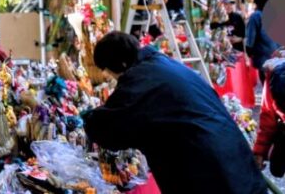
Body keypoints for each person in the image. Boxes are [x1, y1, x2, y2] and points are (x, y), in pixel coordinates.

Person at [83, 31, 266, 194]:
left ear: (120, 64)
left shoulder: (141, 80)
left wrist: (87, 116)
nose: (112, 78)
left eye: (109, 71)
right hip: (235, 164)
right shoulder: (162, 64)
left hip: (210, 174)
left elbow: (109, 128)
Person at [254, 58, 285, 175]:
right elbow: (268, 115)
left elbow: (268, 115)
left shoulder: (276, 71)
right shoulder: (275, 74)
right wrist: (260, 151)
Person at [246, 0, 278, 81]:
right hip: (279, 55)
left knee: (267, 83)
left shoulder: (255, 16)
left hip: (264, 57)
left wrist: (249, 51)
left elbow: (250, 38)